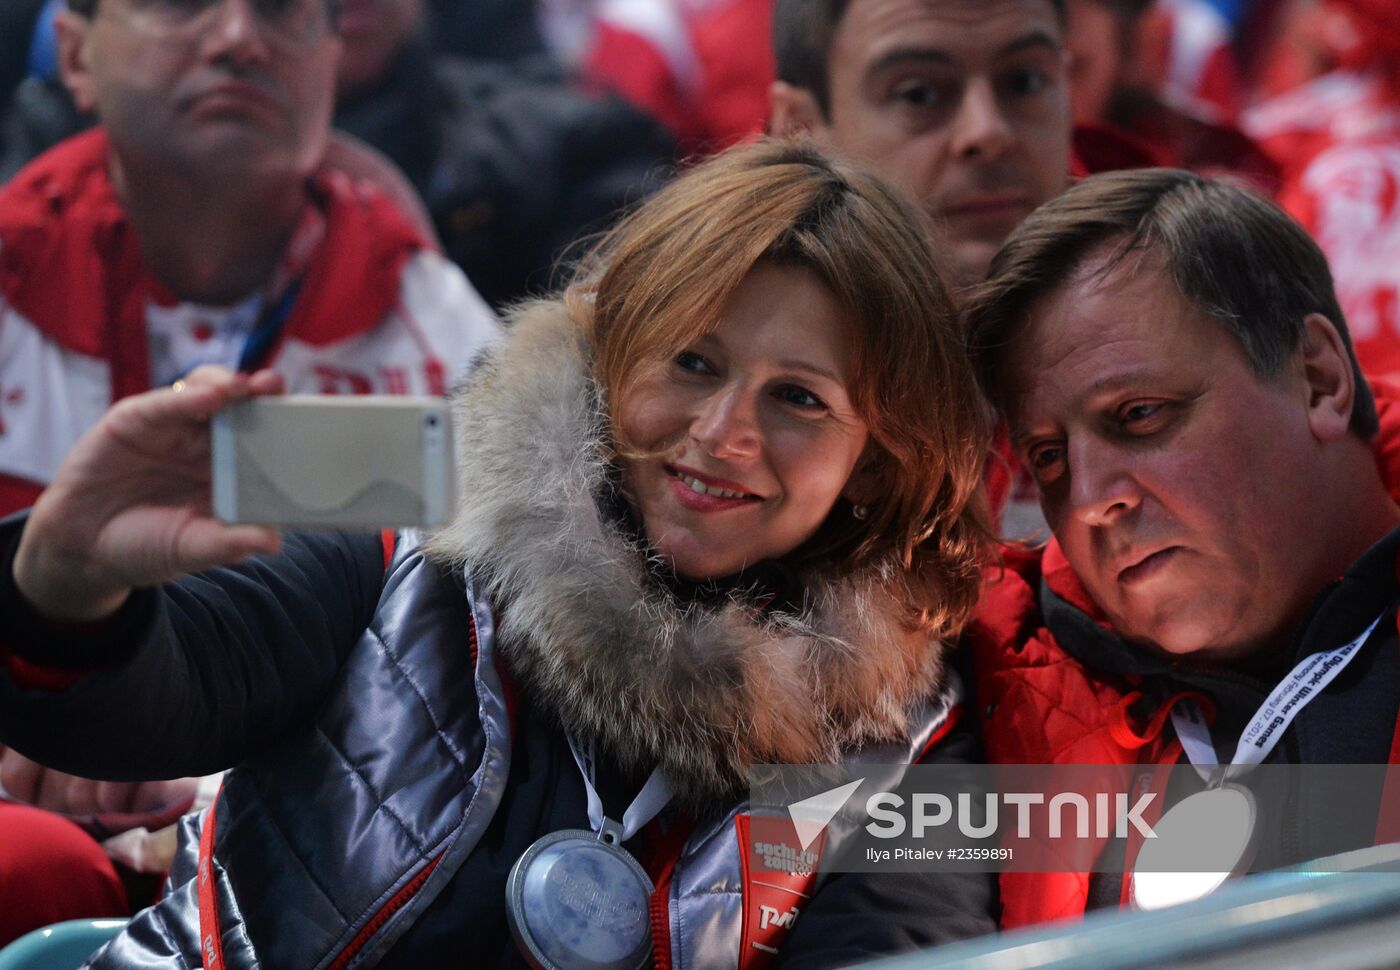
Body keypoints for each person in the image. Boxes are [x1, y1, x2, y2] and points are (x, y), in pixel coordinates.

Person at [0, 138, 998, 967]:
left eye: (798, 399)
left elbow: (901, 940)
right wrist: (68, 586)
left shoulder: (911, 728)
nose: (723, 430)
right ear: (612, 354)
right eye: (690, 360)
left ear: (871, 460)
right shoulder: (415, 495)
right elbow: (158, 700)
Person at [0, 0, 499, 942]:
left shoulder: (442, 329)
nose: (237, 37)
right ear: (74, 53)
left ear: (330, 58)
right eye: (184, 3)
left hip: (296, 846)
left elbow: (481, 677)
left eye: (282, 11)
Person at [961, 167, 1400, 927]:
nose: (1094, 501)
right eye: (1050, 459)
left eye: (1139, 414)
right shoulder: (981, 679)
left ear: (1319, 379)